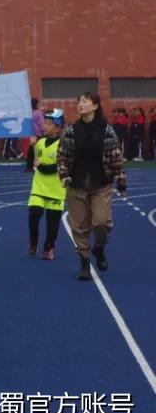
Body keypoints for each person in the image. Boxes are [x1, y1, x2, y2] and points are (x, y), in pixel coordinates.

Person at [56, 92, 126, 281]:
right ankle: (85, 262)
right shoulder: (71, 130)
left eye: (84, 101)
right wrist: (63, 175)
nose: (80, 104)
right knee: (79, 226)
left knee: (102, 222)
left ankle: (99, 248)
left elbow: (116, 156)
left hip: (101, 183)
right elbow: (62, 155)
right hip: (76, 184)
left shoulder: (107, 130)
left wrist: (120, 181)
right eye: (79, 101)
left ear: (95, 106)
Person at [28, 109, 66, 260]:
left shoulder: (63, 145)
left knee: (52, 223)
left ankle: (49, 248)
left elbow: (58, 167)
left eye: (50, 124)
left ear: (58, 127)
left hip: (56, 189)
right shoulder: (40, 142)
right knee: (34, 212)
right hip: (39, 186)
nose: (45, 126)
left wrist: (41, 166)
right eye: (45, 123)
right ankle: (33, 241)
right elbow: (34, 160)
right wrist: (31, 146)